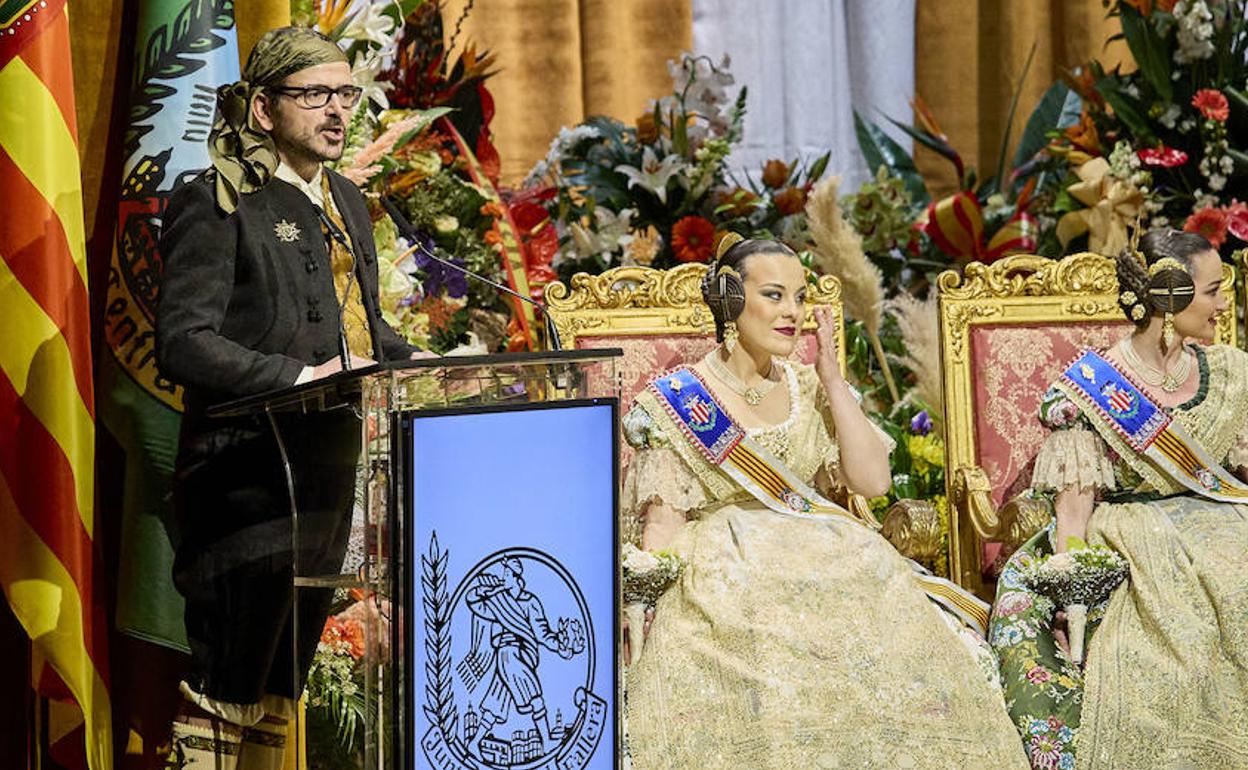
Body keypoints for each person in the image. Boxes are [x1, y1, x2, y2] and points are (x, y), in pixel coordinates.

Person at [621, 235, 1030, 769]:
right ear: (728, 299)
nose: (792, 312)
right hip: (728, 565)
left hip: (824, 547)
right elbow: (662, 528)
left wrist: (834, 382)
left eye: (799, 296)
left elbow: (873, 482)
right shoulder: (678, 400)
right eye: (774, 295)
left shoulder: (808, 386)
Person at [155, 26, 427, 769]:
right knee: (232, 679)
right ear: (265, 110)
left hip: (327, 469)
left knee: (282, 686)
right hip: (244, 477)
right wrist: (294, 379)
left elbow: (361, 334)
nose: (337, 111)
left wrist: (430, 363)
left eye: (345, 94)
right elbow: (182, 341)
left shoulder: (347, 199)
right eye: (314, 96)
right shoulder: (216, 198)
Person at [990, 228, 1248, 770]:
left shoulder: (1228, 372)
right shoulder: (1090, 386)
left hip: (1225, 519)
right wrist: (1072, 587)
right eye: (1212, 290)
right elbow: (1074, 507)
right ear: (1170, 294)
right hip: (1137, 539)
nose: (1225, 304)